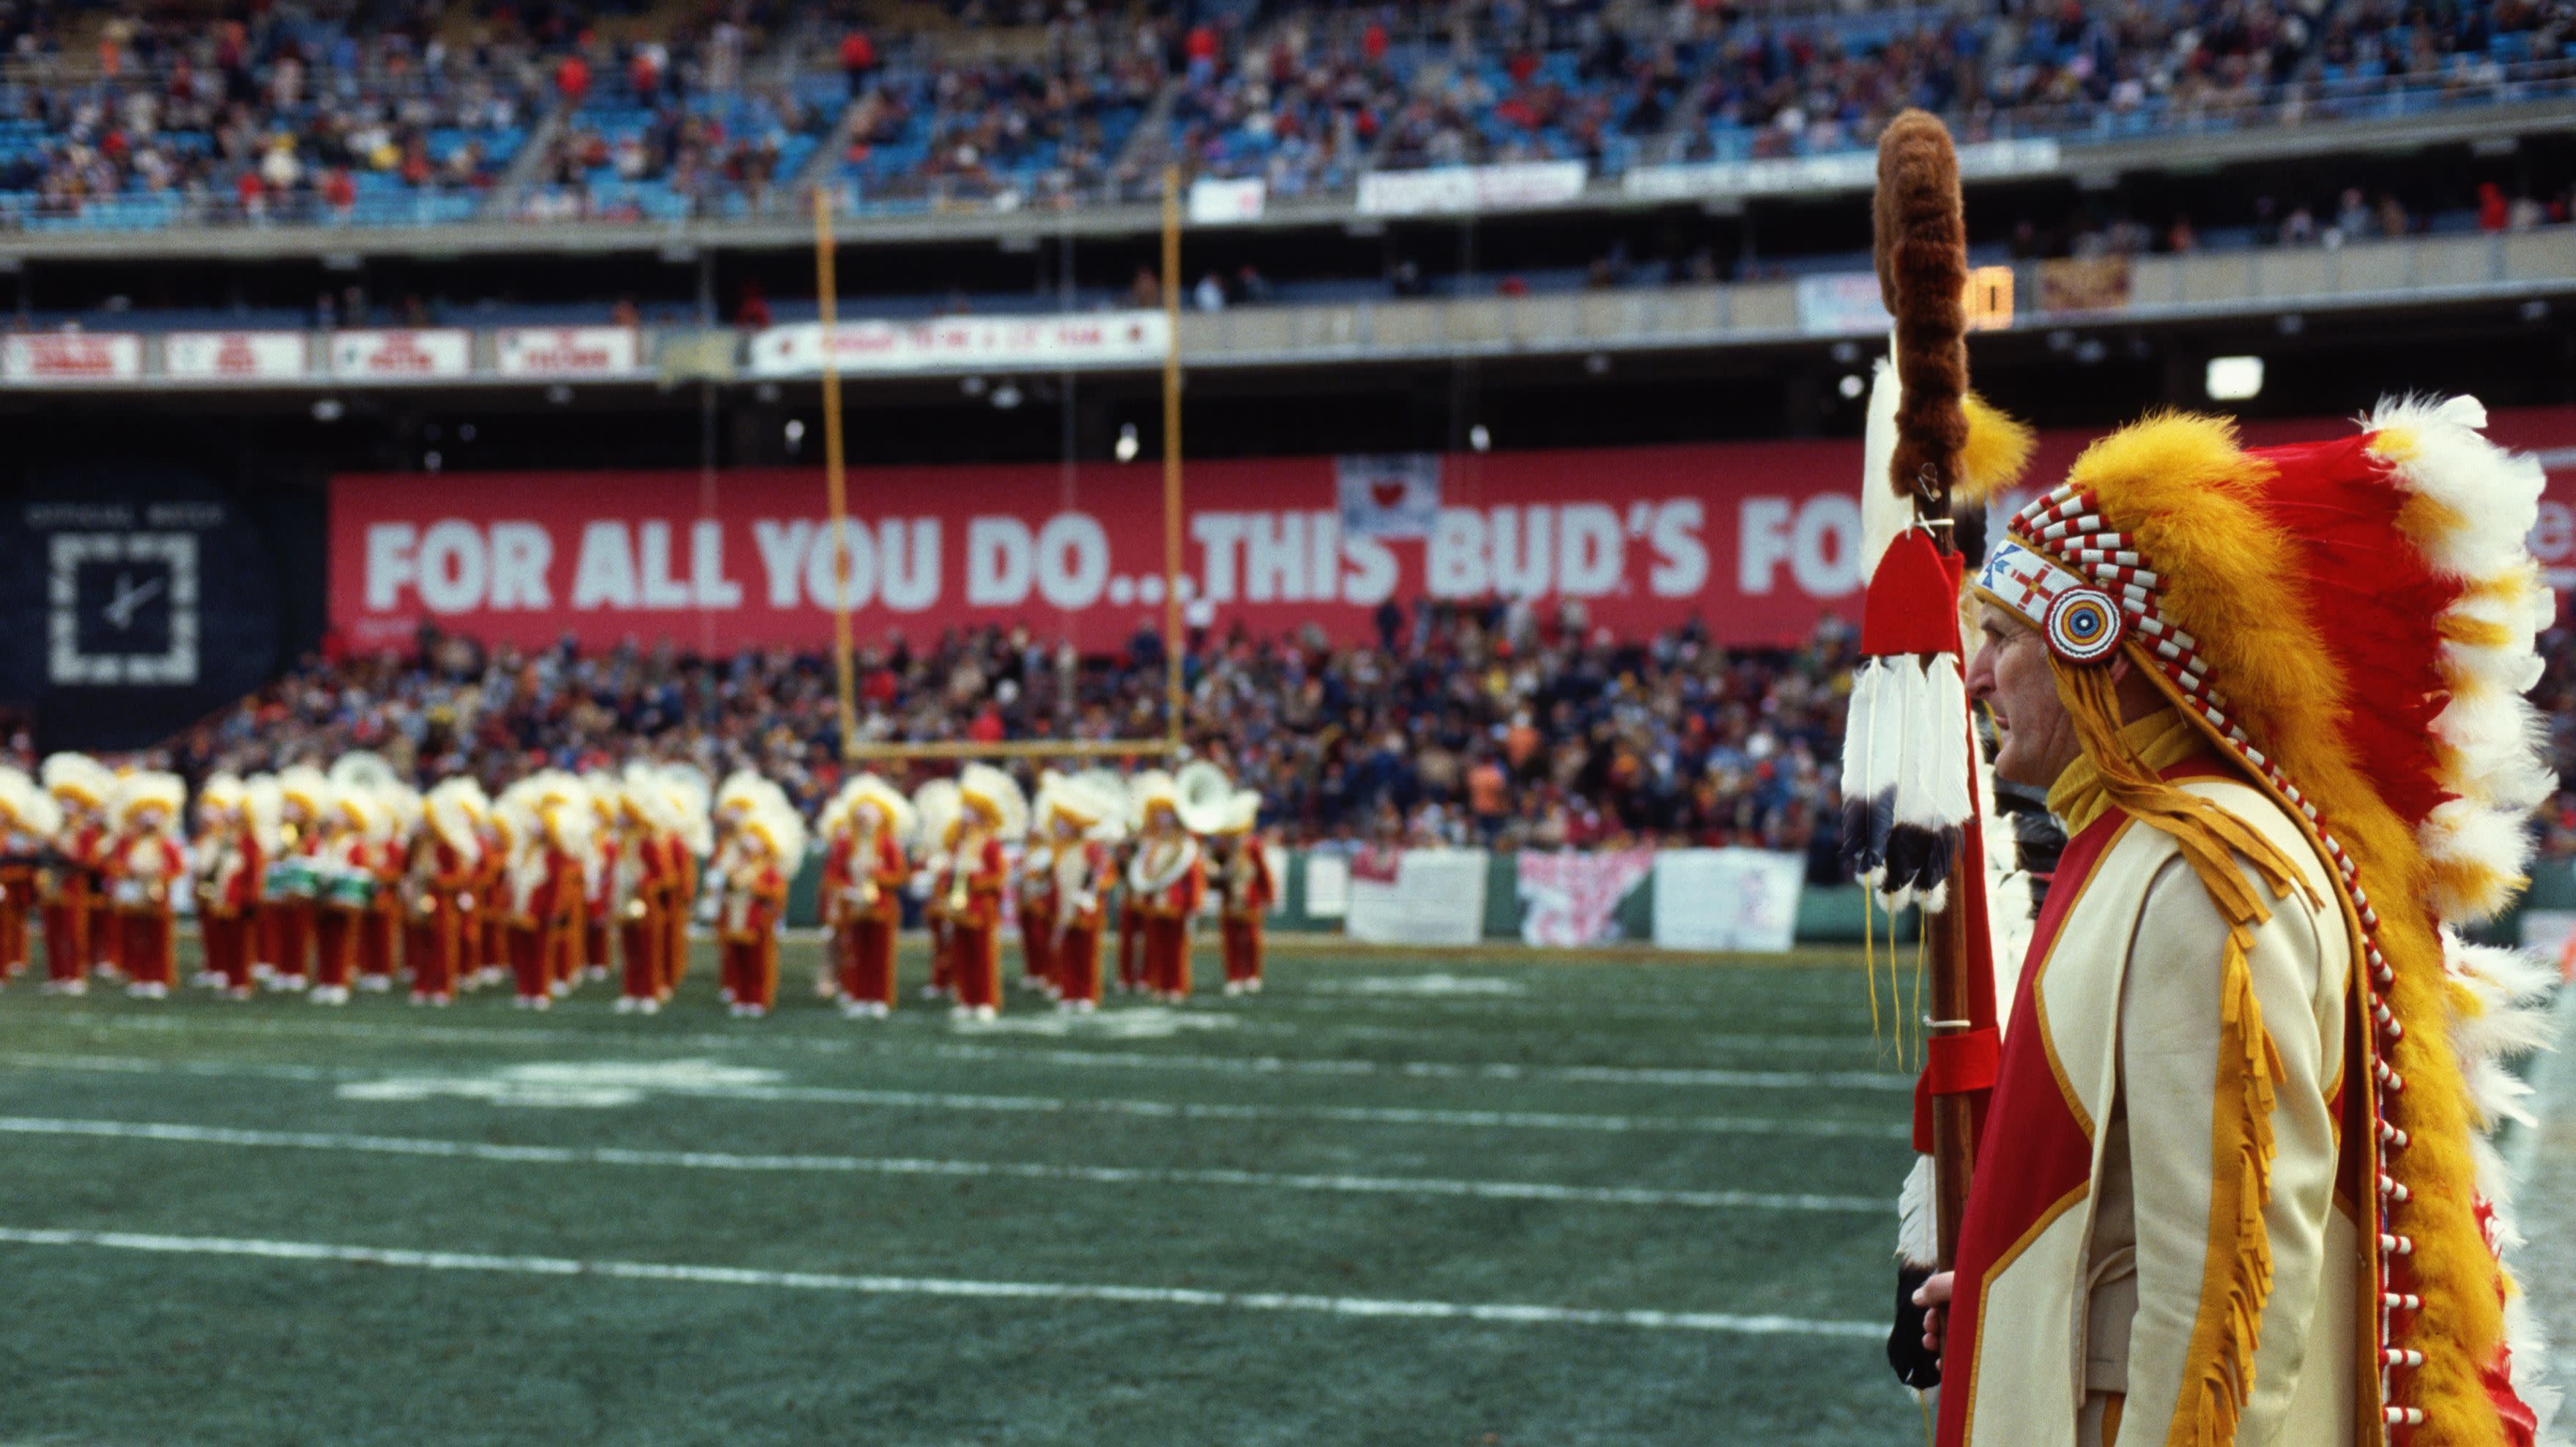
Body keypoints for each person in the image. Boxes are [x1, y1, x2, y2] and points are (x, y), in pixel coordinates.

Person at [1912, 398, 2556, 1445]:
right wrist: (2003, 1301)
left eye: (1999, 637)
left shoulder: (2195, 869)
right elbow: (2130, 1214)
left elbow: (2229, 1273)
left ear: (2098, 646)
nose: (1976, 674)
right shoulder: (2145, 846)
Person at [828, 775, 911, 1020]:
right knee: (856, 953)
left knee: (880, 955)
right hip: (854, 906)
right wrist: (846, 889)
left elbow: (898, 876)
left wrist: (877, 874)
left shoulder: (888, 844)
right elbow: (835, 872)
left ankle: (879, 997)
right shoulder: (847, 843)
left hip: (881, 907)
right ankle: (859, 995)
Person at [946, 765, 1024, 1020]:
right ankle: (966, 998)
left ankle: (986, 999)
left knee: (983, 956)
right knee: (962, 954)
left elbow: (999, 876)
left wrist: (975, 881)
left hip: (983, 907)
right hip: (962, 907)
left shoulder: (990, 844)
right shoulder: (961, 842)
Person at [103, 770, 187, 998]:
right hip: (135, 896)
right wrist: (130, 873)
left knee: (158, 939)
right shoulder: (131, 843)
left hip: (158, 898)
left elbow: (178, 868)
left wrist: (160, 876)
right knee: (136, 937)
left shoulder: (167, 844)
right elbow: (116, 865)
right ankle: (139, 975)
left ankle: (159, 977)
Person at [1044, 776, 1121, 1013]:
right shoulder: (1060, 849)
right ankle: (1070, 992)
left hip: (1087, 909)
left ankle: (1087, 994)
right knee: (1068, 952)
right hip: (1065, 908)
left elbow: (1107, 874)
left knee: (1087, 954)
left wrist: (1094, 889)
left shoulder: (1090, 847)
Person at [404, 778, 482, 1007]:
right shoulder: (419, 845)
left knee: (443, 945)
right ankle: (423, 984)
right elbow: (408, 869)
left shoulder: (448, 845)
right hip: (422, 897)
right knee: (422, 944)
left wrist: (436, 879)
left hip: (443, 901)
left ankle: (444, 986)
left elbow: (458, 876)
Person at [1126, 770, 1203, 1003]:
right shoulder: (1152, 844)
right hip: (1154, 902)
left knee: (1176, 947)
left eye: (1166, 814)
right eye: (1159, 814)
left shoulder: (1185, 844)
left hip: (1175, 903)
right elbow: (1144, 873)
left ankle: (1177, 985)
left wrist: (1193, 903)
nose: (1162, 819)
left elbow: (1192, 876)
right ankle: (1160, 984)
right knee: (1156, 946)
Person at [36, 755, 109, 994]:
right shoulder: (54, 828)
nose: (67, 806)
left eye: (71, 802)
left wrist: (61, 850)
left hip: (73, 885)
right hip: (52, 884)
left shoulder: (87, 832)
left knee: (73, 932)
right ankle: (57, 975)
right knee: (52, 931)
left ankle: (75, 975)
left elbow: (89, 862)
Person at [719, 803, 798, 1018]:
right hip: (737, 919)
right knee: (738, 961)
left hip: (759, 922)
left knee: (758, 963)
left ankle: (757, 998)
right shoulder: (738, 864)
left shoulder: (768, 868)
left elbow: (777, 893)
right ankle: (741, 996)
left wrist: (755, 888)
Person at [192, 774, 264, 999]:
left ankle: (241, 982)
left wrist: (250, 898)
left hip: (240, 899)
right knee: (227, 942)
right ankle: (229, 979)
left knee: (241, 943)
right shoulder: (223, 839)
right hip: (222, 898)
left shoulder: (250, 842)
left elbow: (253, 873)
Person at [1206, 786, 1272, 996]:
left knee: (1252, 939)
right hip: (1230, 899)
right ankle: (1234, 976)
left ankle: (1252, 975)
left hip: (1249, 898)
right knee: (1231, 940)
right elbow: (1216, 873)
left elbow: (1262, 871)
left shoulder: (1253, 845)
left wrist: (1267, 894)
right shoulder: (1223, 846)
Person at [0, 766, 52, 983]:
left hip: (12, 886)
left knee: (11, 926)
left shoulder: (19, 836)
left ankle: (9, 962)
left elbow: (29, 861)